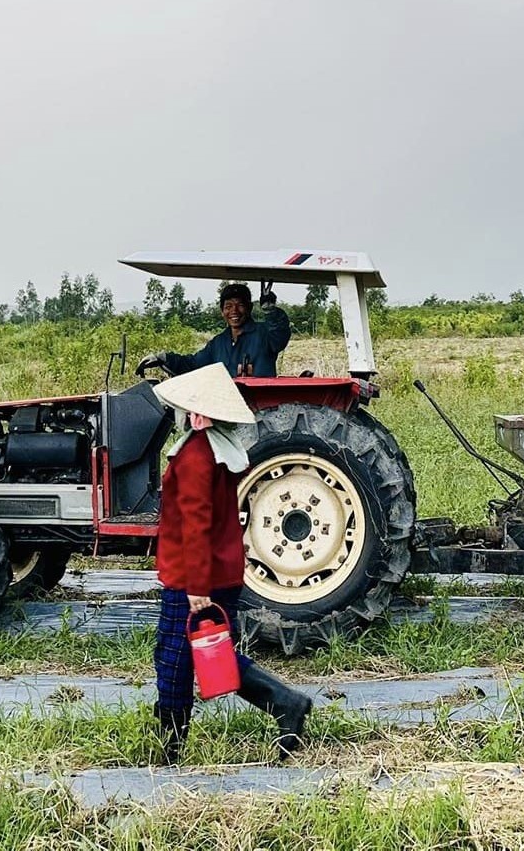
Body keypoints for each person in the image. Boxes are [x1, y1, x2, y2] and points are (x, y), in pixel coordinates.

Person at [148, 363, 313, 762]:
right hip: (220, 570)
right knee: (211, 653)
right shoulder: (220, 449)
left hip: (195, 577)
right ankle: (285, 704)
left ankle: (168, 747)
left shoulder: (193, 457)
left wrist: (197, 587)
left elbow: (195, 527)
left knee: (173, 659)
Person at [140, 282, 289, 378]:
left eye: (240, 305)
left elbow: (280, 335)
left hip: (262, 408)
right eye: (228, 306)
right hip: (228, 410)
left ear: (249, 308)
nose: (234, 311)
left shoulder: (264, 334)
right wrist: (164, 358)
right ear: (222, 311)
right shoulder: (218, 343)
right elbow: (193, 364)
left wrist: (271, 311)